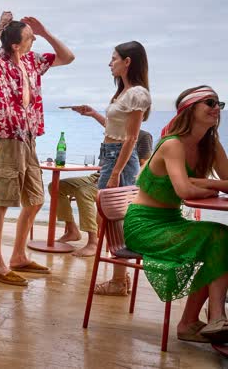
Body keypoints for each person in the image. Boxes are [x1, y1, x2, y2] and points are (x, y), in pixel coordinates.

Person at [0, 11, 75, 286]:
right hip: (7, 138)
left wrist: (45, 32)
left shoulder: (34, 62)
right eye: (30, 37)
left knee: (35, 199)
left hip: (29, 138)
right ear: (16, 45)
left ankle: (18, 256)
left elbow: (68, 57)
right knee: (3, 202)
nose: (34, 40)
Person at [125, 86, 228, 343]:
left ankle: (197, 322)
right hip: (145, 226)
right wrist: (203, 184)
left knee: (219, 240)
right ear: (190, 109)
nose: (217, 108)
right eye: (209, 102)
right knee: (218, 236)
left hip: (171, 221)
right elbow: (183, 190)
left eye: (219, 104)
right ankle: (212, 316)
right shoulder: (173, 144)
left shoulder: (210, 145)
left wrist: (203, 183)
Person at [69, 41, 151, 294]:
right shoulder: (123, 94)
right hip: (111, 155)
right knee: (111, 217)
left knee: (116, 218)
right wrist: (94, 114)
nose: (110, 63)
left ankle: (118, 279)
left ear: (128, 62)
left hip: (119, 160)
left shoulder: (137, 93)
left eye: (114, 58)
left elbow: (131, 138)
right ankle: (120, 277)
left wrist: (115, 172)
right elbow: (116, 131)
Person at [56, 130, 153, 257]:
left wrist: (116, 174)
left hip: (116, 180)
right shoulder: (113, 132)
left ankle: (93, 242)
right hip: (98, 174)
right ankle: (72, 230)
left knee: (83, 191)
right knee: (57, 186)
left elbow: (144, 165)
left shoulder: (142, 136)